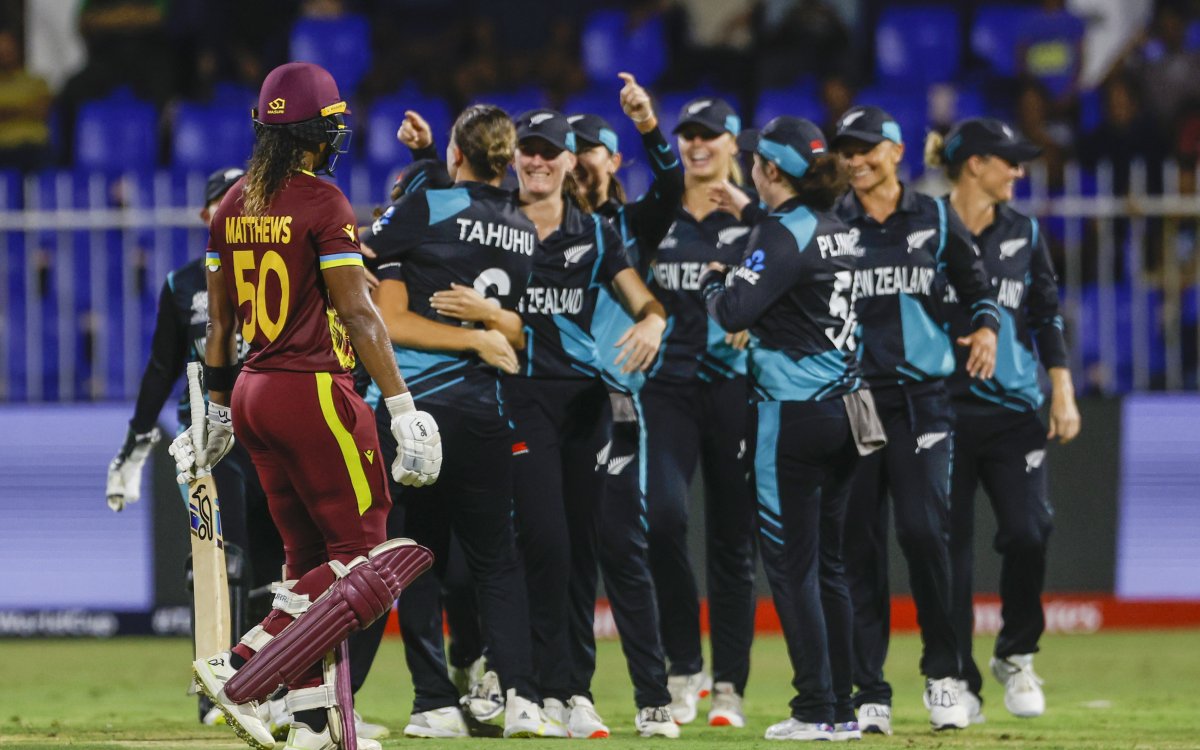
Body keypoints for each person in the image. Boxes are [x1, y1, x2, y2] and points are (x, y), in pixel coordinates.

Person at [170, 61, 442, 750]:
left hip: (257, 390)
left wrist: (221, 408)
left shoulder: (231, 206)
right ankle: (242, 663)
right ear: (317, 134)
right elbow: (358, 310)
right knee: (368, 559)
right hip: (313, 388)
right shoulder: (323, 202)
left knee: (305, 566)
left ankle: (312, 722)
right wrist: (403, 402)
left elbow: (221, 327)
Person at [358, 103, 548, 739]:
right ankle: (522, 699)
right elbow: (516, 322)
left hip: (421, 410)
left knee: (413, 558)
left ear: (456, 156)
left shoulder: (428, 208)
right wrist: (482, 333)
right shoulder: (523, 227)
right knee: (498, 562)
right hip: (488, 410)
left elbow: (366, 263)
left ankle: (434, 703)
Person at [494, 107, 677, 738]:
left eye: (551, 151)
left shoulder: (597, 234)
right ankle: (527, 683)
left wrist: (654, 319)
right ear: (515, 157)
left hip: (585, 405)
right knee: (543, 540)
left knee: (577, 549)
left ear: (571, 161)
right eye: (529, 149)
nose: (538, 160)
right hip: (518, 398)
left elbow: (639, 296)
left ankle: (570, 691)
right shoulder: (491, 226)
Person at [704, 115, 882, 742]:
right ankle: (842, 708)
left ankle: (814, 709)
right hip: (849, 412)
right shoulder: (838, 227)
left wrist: (714, 280)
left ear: (770, 170)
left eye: (755, 159)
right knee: (828, 566)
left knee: (790, 566)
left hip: (793, 412)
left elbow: (734, 309)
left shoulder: (780, 232)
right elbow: (794, 257)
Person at [831, 104, 1000, 733]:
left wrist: (984, 325)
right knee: (857, 544)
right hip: (852, 400)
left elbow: (976, 283)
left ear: (896, 151)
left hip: (922, 397)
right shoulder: (832, 222)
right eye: (846, 150)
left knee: (926, 532)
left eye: (866, 147)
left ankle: (943, 673)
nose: (855, 159)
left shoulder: (932, 215)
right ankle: (869, 689)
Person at [106, 165, 286, 726]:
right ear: (207, 214)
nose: (232, 207)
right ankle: (217, 689)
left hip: (271, 430)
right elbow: (162, 366)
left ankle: (268, 681)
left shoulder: (275, 271)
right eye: (223, 200)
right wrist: (135, 440)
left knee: (274, 562)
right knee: (220, 559)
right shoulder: (182, 283)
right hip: (208, 440)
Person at [925, 117, 1081, 722]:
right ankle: (959, 679)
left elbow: (1045, 313)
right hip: (939, 407)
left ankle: (1016, 654)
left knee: (1029, 530)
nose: (1018, 171)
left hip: (1014, 407)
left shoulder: (1025, 232)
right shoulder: (925, 228)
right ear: (974, 165)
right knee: (949, 552)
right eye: (1008, 161)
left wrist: (1061, 390)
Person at [559, 71, 685, 738]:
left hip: (616, 403)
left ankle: (654, 697)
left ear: (614, 161)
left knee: (623, 548)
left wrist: (647, 123)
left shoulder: (633, 226)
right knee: (566, 549)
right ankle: (571, 692)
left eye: (593, 151)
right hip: (555, 401)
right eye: (571, 151)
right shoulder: (542, 231)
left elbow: (671, 188)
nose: (580, 161)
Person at [640, 96, 758, 726]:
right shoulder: (658, 214)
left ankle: (730, 686)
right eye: (688, 134)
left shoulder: (755, 220)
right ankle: (684, 667)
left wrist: (755, 324)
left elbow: (797, 291)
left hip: (736, 389)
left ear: (734, 142)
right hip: (667, 389)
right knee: (661, 520)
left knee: (734, 543)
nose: (696, 143)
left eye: (709, 134)